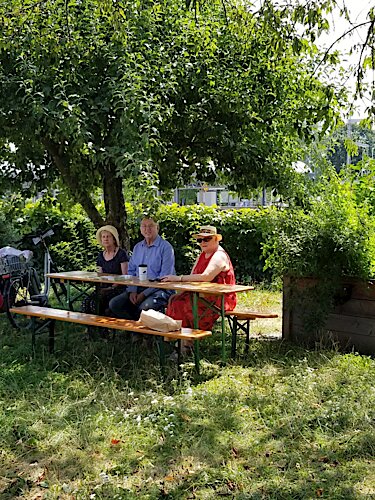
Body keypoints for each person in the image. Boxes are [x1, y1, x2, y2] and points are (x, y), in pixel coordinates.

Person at [162, 225, 237, 331]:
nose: (203, 242)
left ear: (216, 239)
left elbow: (206, 276)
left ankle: (187, 341)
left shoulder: (219, 255)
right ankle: (179, 340)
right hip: (200, 295)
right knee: (175, 300)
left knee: (182, 304)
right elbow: (193, 274)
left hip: (218, 298)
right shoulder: (203, 254)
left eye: (207, 239)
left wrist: (178, 278)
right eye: (200, 239)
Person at [108, 217, 175, 320]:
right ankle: (135, 330)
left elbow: (164, 278)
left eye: (150, 226)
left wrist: (144, 294)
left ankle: (141, 332)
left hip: (160, 290)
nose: (147, 229)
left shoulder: (166, 248)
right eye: (144, 226)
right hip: (138, 287)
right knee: (114, 304)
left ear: (157, 227)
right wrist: (132, 291)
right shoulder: (137, 247)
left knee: (144, 307)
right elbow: (131, 272)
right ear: (140, 229)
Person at [81, 225, 129, 315]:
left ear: (114, 239)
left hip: (118, 288)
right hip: (103, 288)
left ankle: (103, 328)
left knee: (96, 303)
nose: (105, 239)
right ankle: (91, 327)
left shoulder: (121, 254)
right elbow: (100, 275)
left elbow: (125, 276)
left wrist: (111, 287)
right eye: (103, 237)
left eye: (108, 236)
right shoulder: (100, 256)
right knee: (86, 302)